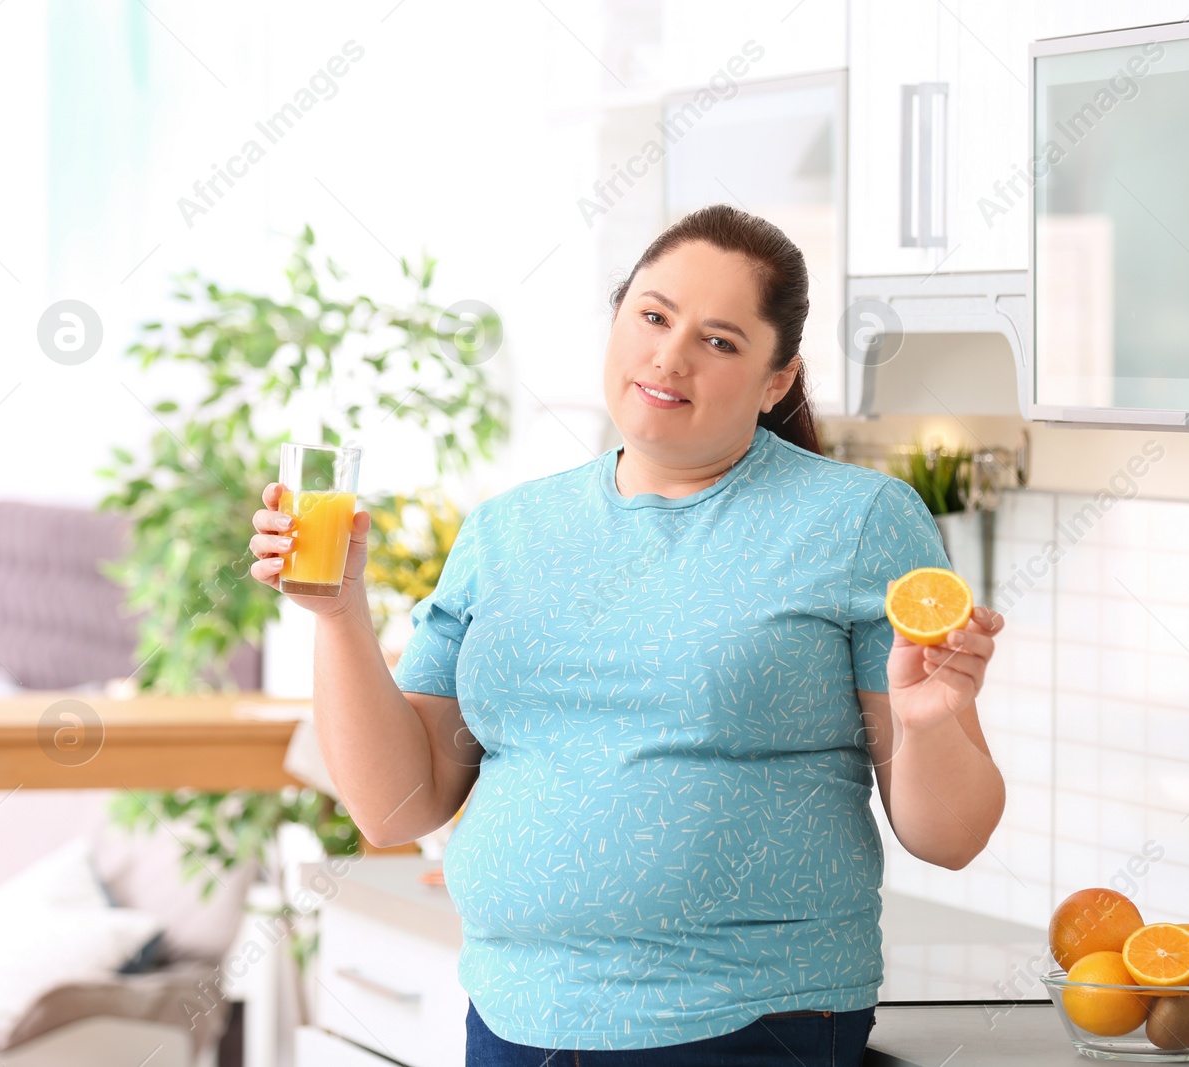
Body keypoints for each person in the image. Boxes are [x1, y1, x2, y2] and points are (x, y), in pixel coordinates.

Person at [247, 204, 1006, 1066]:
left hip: (748, 1024)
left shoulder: (857, 521)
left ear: (776, 380)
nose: (670, 354)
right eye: (652, 315)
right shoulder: (506, 531)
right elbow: (397, 806)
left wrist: (931, 717)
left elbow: (952, 837)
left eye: (719, 341)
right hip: (511, 1019)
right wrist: (340, 612)